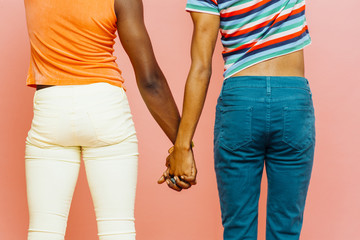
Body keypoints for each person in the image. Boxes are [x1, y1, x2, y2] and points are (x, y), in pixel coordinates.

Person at [23, 0, 189, 239]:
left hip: (51, 107)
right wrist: (182, 146)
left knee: (44, 231)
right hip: (105, 109)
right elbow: (150, 79)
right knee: (118, 229)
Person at [159, 0, 315, 239]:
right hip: (292, 100)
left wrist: (182, 146)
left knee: (238, 230)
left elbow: (201, 66)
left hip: (241, 102)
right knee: (286, 228)